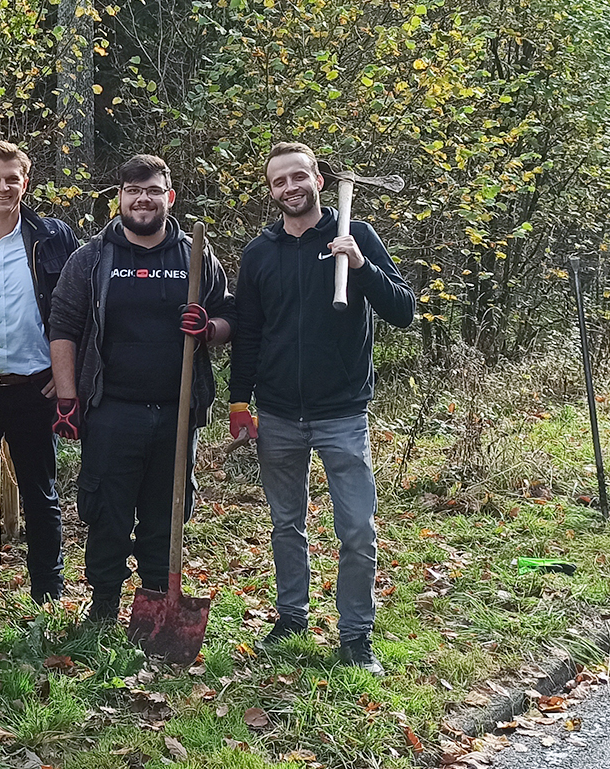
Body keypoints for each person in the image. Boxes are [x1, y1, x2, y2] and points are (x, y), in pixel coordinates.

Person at [230, 141, 415, 675]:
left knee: (356, 529)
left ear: (318, 179)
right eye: (278, 181)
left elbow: (402, 311)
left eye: (298, 177)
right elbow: (248, 335)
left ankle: (356, 635)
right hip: (281, 413)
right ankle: (292, 616)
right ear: (271, 192)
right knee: (286, 524)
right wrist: (241, 401)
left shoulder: (353, 234)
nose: (290, 188)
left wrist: (359, 267)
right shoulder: (260, 253)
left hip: (342, 413)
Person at [50, 155, 235, 623]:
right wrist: (68, 399)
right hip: (112, 409)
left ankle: (156, 599)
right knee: (107, 512)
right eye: (133, 191)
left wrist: (210, 328)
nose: (143, 199)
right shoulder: (91, 259)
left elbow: (230, 316)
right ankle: (105, 604)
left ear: (169, 197)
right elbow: (64, 327)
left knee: (166, 511)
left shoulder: (195, 255)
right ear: (119, 199)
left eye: (152, 190)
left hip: (177, 410)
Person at [0, 140, 78, 605]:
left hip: (35, 385)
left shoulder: (52, 237)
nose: (4, 187)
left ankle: (48, 594)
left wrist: (69, 369)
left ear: (25, 182)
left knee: (40, 492)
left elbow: (82, 305)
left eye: (13, 178)